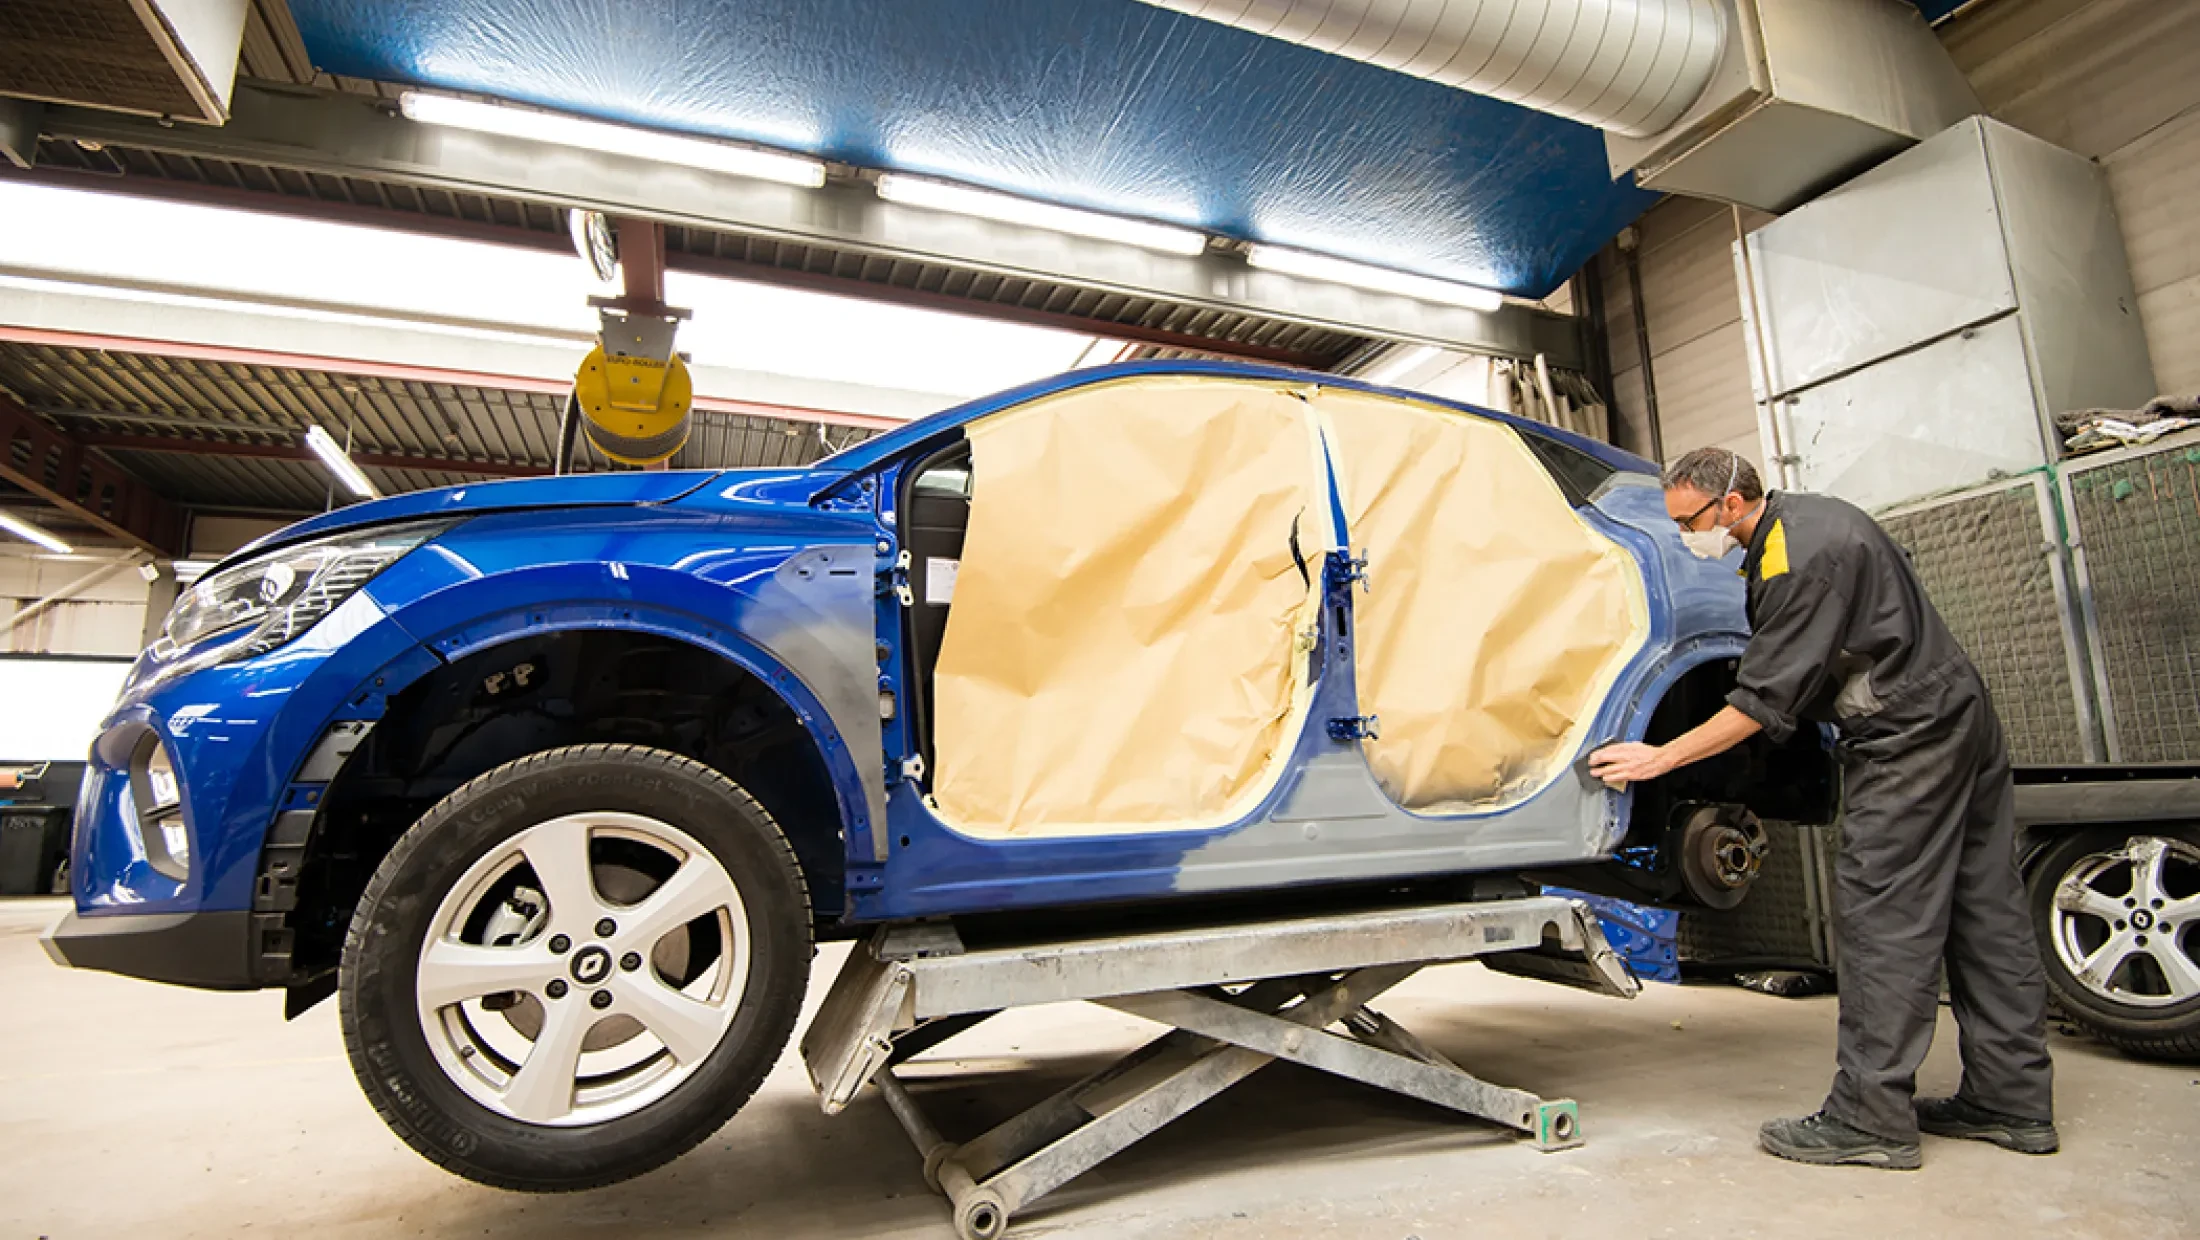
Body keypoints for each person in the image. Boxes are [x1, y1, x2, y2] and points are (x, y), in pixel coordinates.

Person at [1588, 447, 2057, 1170]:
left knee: (1883, 914)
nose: (1686, 538)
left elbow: (1759, 702)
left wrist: (1660, 758)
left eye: (1689, 522)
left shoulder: (1791, 561)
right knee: (1983, 905)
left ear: (1733, 505)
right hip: (1957, 708)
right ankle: (2011, 1100)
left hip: (1908, 733)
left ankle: (1870, 1118)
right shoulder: (1816, 516)